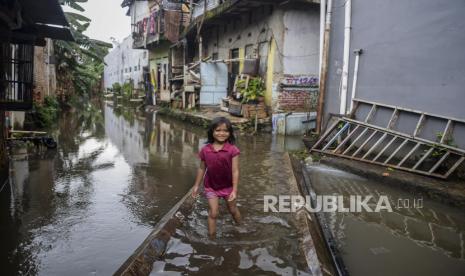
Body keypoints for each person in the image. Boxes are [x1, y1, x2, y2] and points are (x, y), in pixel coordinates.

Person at [192, 117, 241, 238]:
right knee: (213, 213)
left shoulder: (232, 150)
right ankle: (212, 237)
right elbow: (202, 168)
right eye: (218, 130)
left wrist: (234, 190)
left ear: (230, 133)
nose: (221, 133)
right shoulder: (205, 150)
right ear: (212, 132)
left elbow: (235, 171)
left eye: (225, 130)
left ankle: (240, 226)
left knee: (233, 210)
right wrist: (196, 185)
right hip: (211, 187)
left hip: (228, 187)